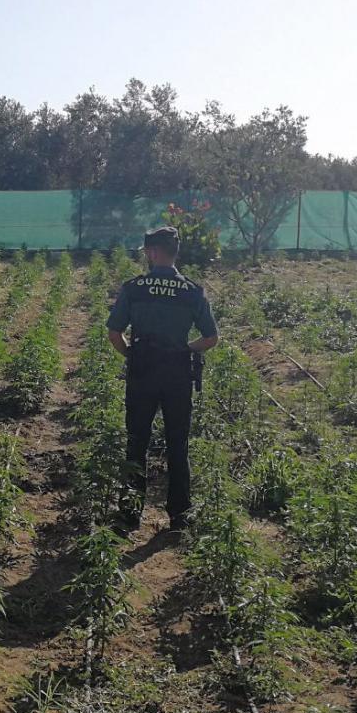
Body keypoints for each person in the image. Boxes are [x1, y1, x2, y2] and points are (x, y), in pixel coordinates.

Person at [105, 226, 219, 531]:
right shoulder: (192, 291)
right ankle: (180, 514)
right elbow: (211, 337)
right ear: (174, 252)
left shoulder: (134, 288)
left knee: (137, 441)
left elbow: (114, 333)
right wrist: (184, 349)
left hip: (143, 370)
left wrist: (132, 354)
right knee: (177, 441)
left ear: (154, 253)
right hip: (177, 373)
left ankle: (130, 513)